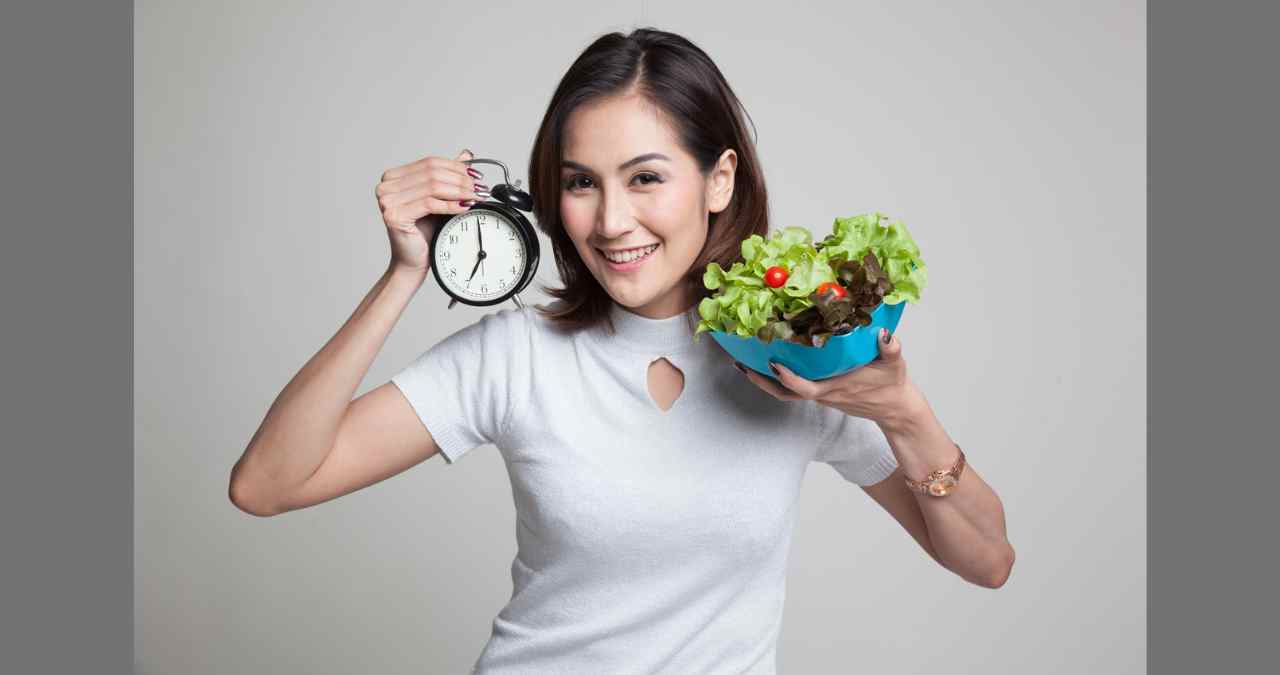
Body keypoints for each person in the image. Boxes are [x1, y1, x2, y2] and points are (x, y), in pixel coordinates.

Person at [228, 27, 1014, 674]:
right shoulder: (516, 356)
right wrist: (405, 271)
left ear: (718, 180)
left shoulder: (789, 361)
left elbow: (986, 560)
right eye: (580, 182)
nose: (610, 221)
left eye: (644, 178)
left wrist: (906, 413)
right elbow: (266, 483)